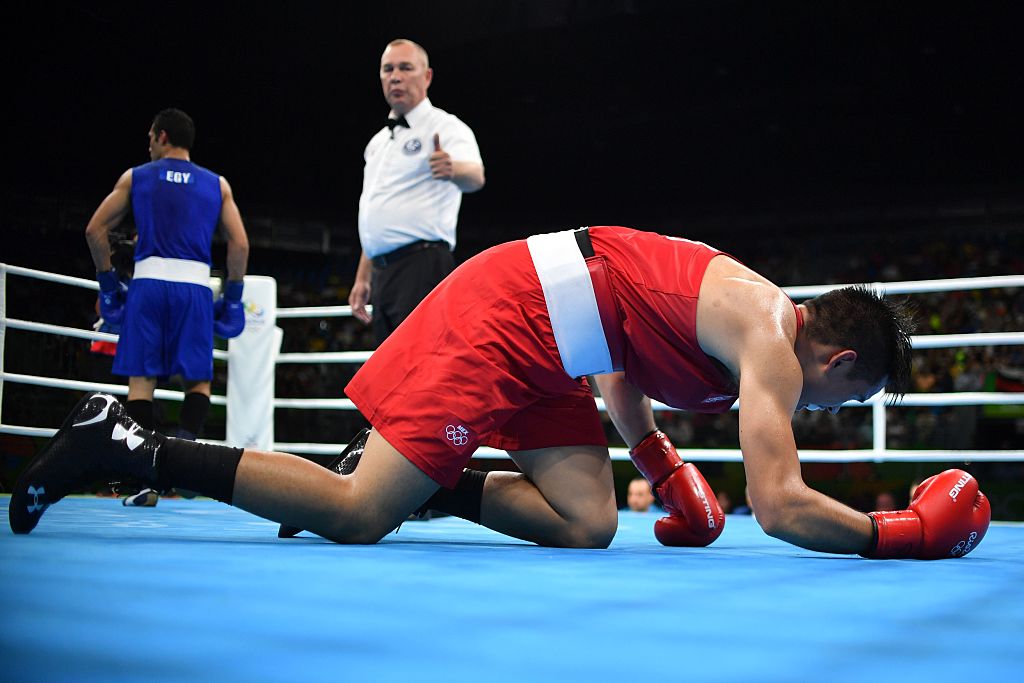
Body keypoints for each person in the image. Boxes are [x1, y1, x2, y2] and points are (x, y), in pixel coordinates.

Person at [12, 226, 990, 560]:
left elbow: (617, 366)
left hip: (562, 343)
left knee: (587, 522)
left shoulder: (750, 324)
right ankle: (125, 437)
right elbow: (776, 506)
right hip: (511, 311)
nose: (823, 411)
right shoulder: (772, 347)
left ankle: (426, 480)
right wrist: (897, 534)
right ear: (842, 363)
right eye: (841, 403)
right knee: (357, 517)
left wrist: (656, 460)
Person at [82, 108, 250, 507]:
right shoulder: (218, 185)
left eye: (149, 138)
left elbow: (94, 229)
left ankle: (145, 480)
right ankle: (184, 462)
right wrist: (235, 295)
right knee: (198, 383)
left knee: (142, 383)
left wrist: (108, 284)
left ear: (160, 137)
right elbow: (240, 244)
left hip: (148, 286)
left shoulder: (136, 176)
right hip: (195, 288)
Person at [349, 38, 485, 345]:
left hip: (422, 265)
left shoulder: (446, 127)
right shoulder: (378, 143)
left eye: (405, 68)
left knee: (420, 366)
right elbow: (373, 211)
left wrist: (453, 169)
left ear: (427, 77)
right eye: (388, 69)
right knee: (392, 372)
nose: (395, 76)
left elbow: (476, 177)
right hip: (382, 272)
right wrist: (363, 275)